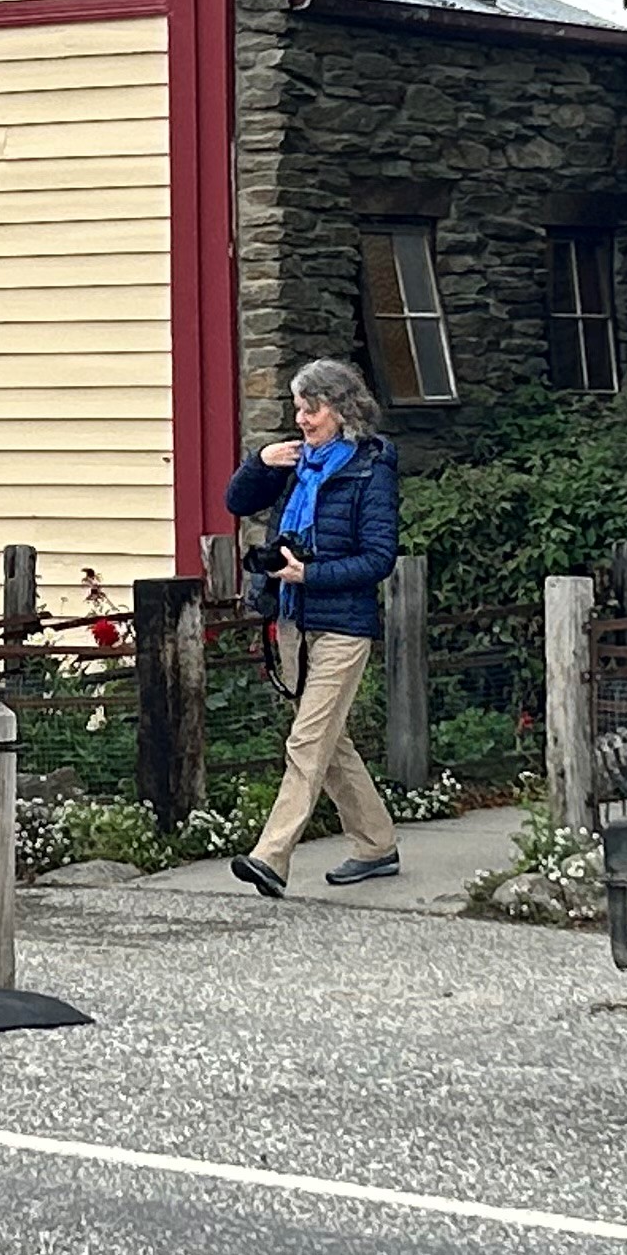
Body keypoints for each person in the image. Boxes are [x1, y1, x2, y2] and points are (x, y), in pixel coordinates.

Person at [221, 356, 404, 897]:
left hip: (344, 626)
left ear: (342, 409)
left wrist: (311, 573)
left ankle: (271, 855)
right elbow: (237, 501)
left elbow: (379, 559)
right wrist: (260, 462)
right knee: (330, 740)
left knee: (307, 739)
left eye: (311, 409)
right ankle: (376, 845)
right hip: (294, 620)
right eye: (297, 408)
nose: (301, 419)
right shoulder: (294, 464)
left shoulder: (370, 470)